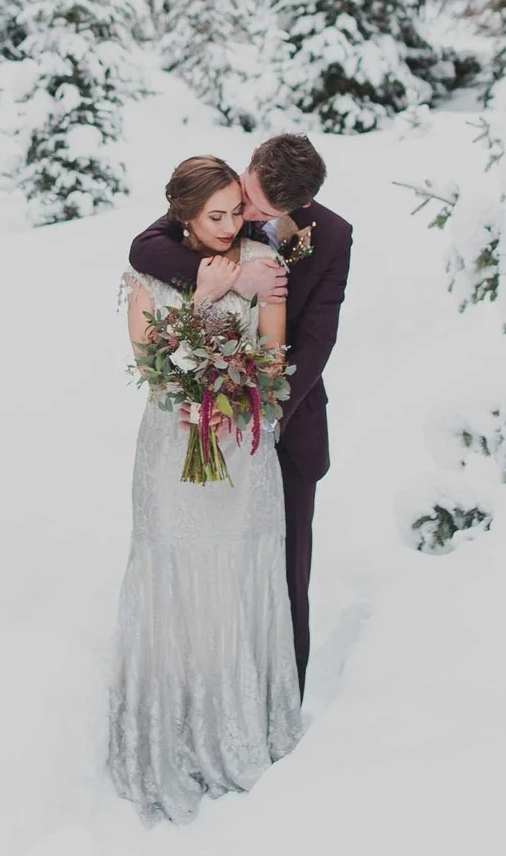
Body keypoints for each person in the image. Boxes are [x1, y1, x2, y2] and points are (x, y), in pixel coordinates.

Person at [107, 156, 304, 821]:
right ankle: (172, 733)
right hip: (171, 450)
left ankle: (240, 729)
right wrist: (200, 303)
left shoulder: (263, 263)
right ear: (183, 215)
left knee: (237, 577)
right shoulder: (149, 270)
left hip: (241, 454)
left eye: (234, 213)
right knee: (177, 577)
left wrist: (243, 395)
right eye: (214, 216)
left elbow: (274, 358)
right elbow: (148, 360)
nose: (229, 226)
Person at [127, 132, 350, 692]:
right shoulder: (221, 198)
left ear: (294, 209)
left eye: (260, 212)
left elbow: (317, 342)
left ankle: (281, 699)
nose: (244, 217)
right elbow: (145, 250)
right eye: (245, 198)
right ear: (250, 164)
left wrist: (260, 410)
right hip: (194, 418)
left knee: (282, 570)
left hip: (286, 422)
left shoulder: (333, 238)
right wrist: (231, 278)